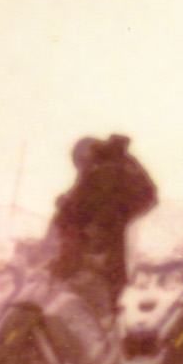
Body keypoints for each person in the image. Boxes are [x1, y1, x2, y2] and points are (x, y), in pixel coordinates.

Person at [50, 134, 157, 315]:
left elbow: (78, 207)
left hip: (116, 242)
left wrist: (65, 210)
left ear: (84, 157)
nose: (80, 169)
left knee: (114, 287)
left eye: (79, 163)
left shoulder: (101, 171)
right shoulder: (123, 164)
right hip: (133, 239)